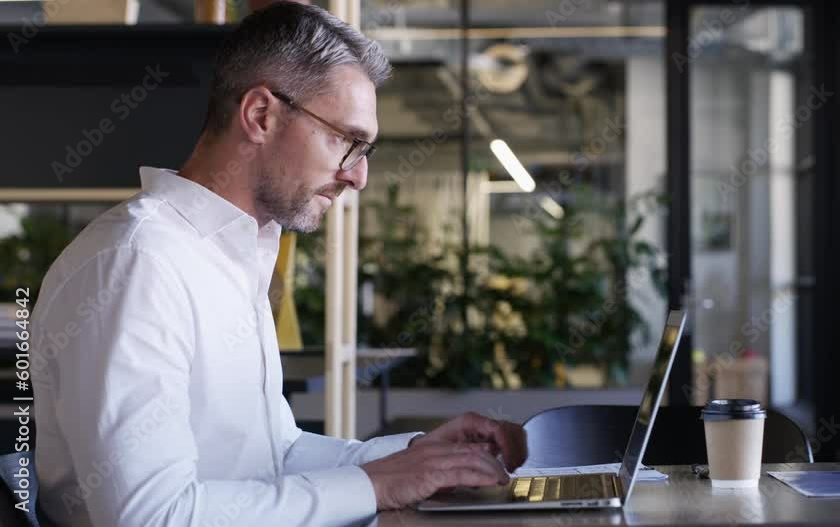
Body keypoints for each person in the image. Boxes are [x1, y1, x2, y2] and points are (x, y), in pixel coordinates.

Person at [29, 3, 527, 525]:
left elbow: (275, 454)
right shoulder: (139, 263)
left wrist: (419, 458)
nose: (358, 177)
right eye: (347, 141)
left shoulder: (230, 254)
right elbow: (152, 517)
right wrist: (375, 485)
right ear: (261, 115)